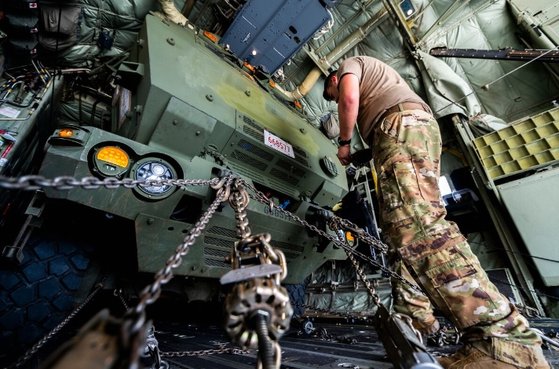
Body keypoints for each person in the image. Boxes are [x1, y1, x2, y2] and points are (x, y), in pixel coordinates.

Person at [323, 55, 550, 369]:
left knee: (417, 224)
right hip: (412, 128)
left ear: (332, 79)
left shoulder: (351, 65)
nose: (337, 103)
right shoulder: (384, 86)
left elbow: (348, 97)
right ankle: (418, 319)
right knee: (404, 230)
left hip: (400, 125)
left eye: (331, 97)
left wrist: (345, 143)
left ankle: (504, 338)